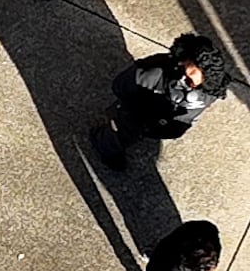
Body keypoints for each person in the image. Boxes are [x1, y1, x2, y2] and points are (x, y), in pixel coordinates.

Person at [93, 33, 229, 170]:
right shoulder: (155, 71)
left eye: (192, 83)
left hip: (156, 125)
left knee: (132, 134)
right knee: (120, 133)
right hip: (136, 116)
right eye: (183, 71)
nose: (183, 80)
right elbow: (121, 86)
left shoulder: (210, 91)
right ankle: (104, 144)